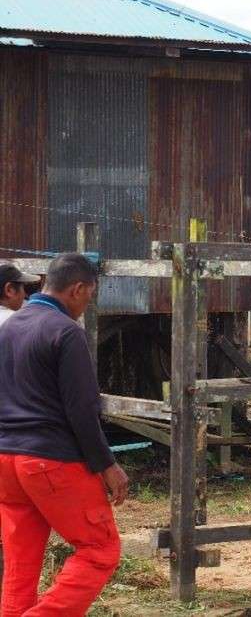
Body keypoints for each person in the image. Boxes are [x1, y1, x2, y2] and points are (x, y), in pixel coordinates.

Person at [0, 253, 129, 616]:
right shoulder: (66, 332)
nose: (87, 303)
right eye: (89, 294)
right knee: (100, 550)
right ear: (77, 289)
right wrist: (107, 465)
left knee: (21, 563)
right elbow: (81, 410)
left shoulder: (9, 327)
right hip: (50, 460)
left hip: (7, 462)